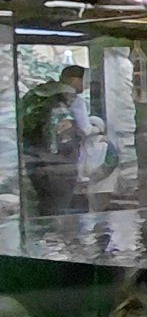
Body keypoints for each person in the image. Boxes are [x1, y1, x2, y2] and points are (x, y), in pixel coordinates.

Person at [20, 64, 89, 215]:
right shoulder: (72, 98)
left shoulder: (36, 95)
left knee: (44, 205)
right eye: (84, 79)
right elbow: (84, 129)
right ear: (74, 80)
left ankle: (45, 236)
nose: (86, 84)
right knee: (60, 207)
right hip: (62, 164)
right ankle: (55, 237)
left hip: (35, 161)